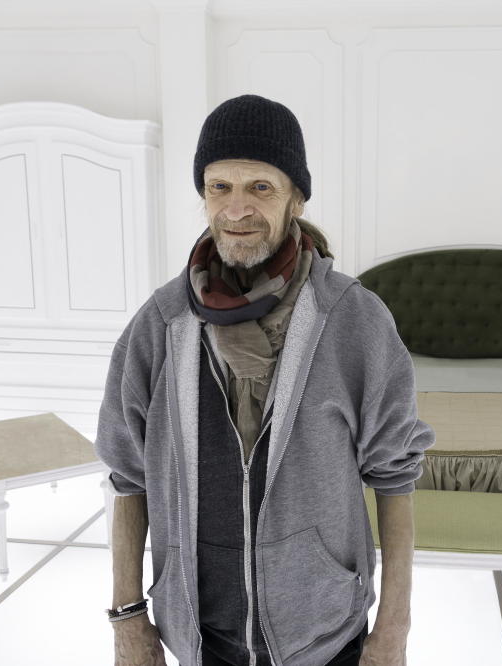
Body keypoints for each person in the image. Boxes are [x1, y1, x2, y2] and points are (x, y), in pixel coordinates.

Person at [94, 93, 435, 666]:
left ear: (295, 198)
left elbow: (395, 476)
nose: (237, 208)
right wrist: (127, 619)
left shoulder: (353, 320)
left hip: (324, 635)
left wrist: (394, 627)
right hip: (200, 638)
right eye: (219, 186)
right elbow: (128, 479)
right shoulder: (161, 324)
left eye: (260, 187)